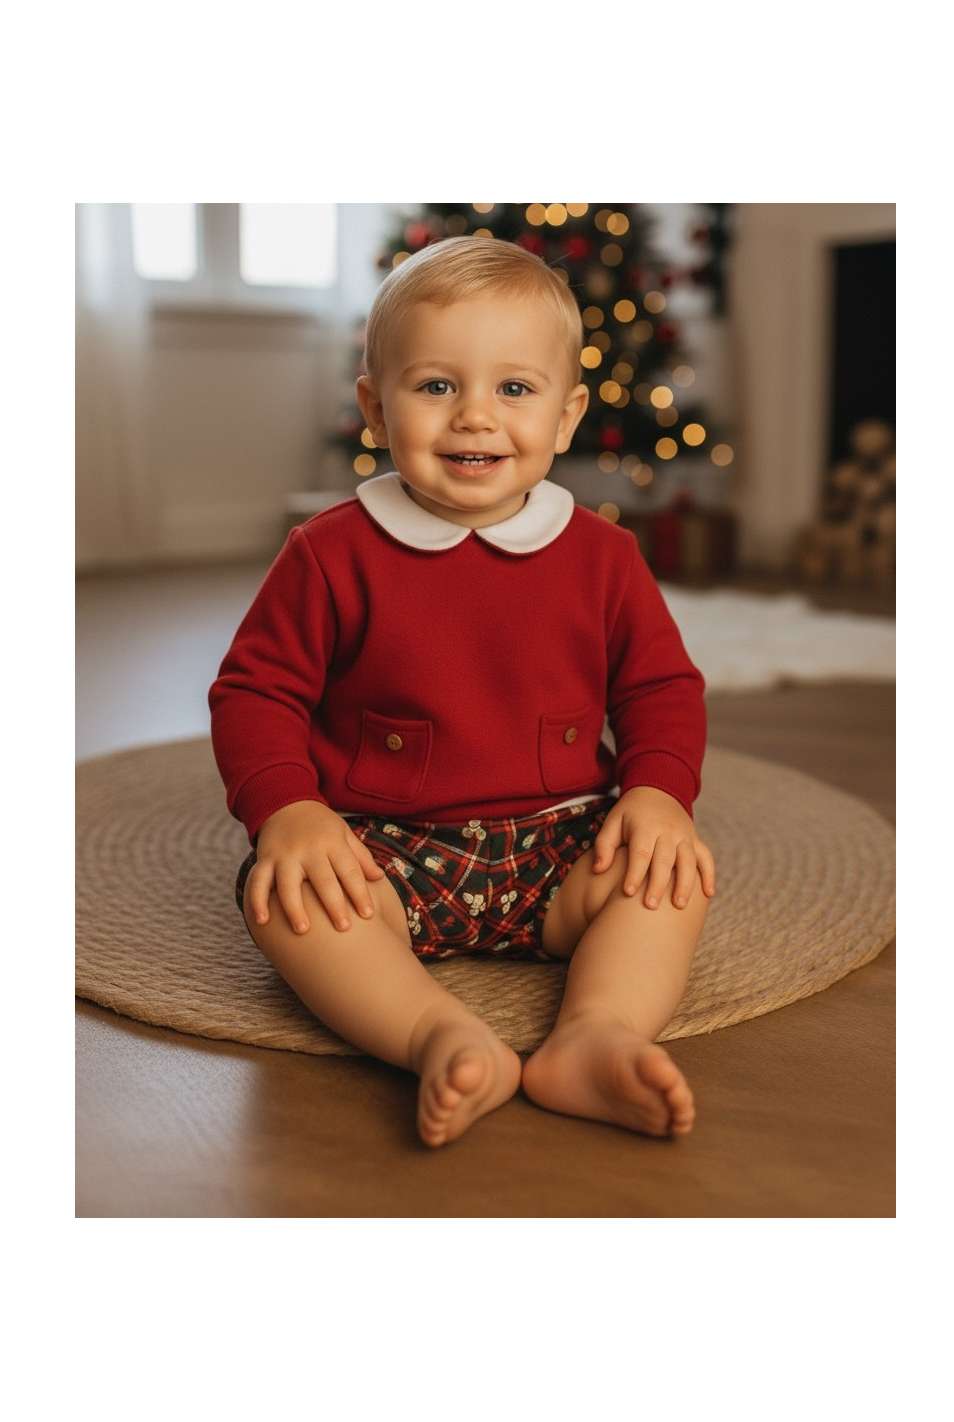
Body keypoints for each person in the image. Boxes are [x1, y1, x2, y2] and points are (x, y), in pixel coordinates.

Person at [209, 234, 716, 1148]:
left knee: (668, 880)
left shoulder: (603, 557)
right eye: (437, 386)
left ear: (566, 416)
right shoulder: (330, 553)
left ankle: (596, 1037)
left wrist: (658, 795)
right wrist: (289, 812)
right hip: (380, 844)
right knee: (291, 901)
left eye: (515, 389)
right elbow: (255, 693)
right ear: (376, 407)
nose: (476, 417)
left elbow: (661, 687)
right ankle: (434, 1033)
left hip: (563, 835)